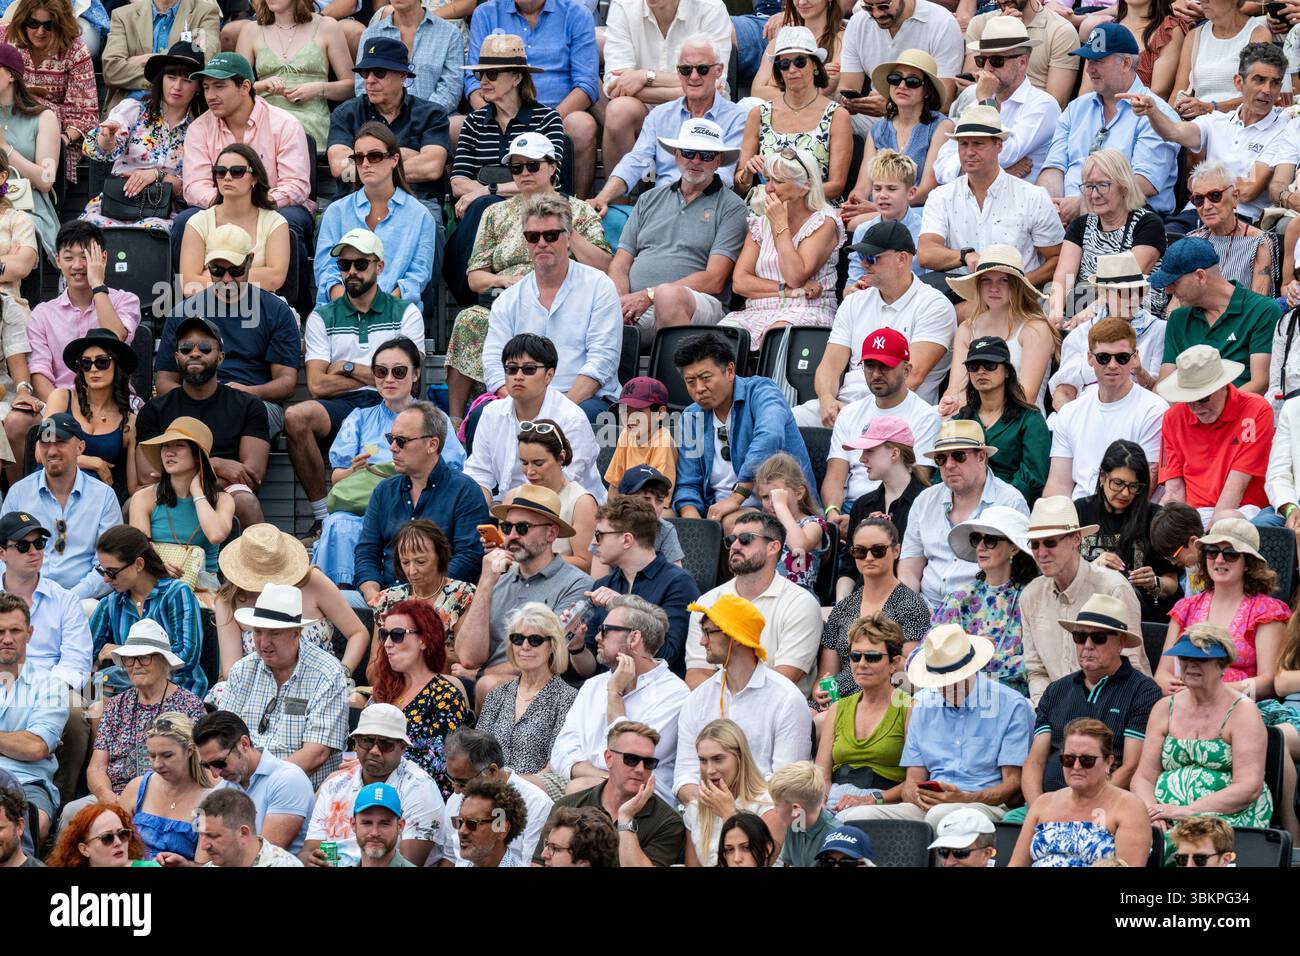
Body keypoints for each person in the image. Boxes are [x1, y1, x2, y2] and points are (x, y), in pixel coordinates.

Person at [444, 140, 611, 420]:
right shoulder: (495, 212)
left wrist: (566, 231)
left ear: (553, 167)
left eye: (532, 165)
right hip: (509, 298)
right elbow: (474, 276)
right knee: (469, 319)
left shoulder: (579, 209)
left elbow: (604, 264)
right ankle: (456, 421)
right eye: (516, 166)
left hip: (569, 296)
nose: (524, 173)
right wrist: (507, 282)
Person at [292, 229, 425, 529]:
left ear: (379, 266)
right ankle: (322, 517)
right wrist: (384, 374)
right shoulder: (322, 316)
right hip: (342, 405)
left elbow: (410, 380)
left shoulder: (406, 312)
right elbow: (316, 385)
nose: (351, 271)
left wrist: (348, 367)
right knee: (297, 416)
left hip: (393, 404)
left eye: (360, 264)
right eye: (344, 265)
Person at [838, 623, 1033, 828]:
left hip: (987, 805)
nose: (946, 685)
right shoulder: (922, 705)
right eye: (939, 679)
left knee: (939, 816)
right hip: (930, 806)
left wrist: (966, 797)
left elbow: (1013, 786)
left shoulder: (1011, 705)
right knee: (856, 818)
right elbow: (912, 780)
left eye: (953, 678)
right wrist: (917, 795)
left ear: (971, 670)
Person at [315, 339, 466, 584]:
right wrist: (355, 469)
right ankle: (341, 595)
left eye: (399, 371)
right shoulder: (359, 418)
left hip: (421, 506)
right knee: (338, 523)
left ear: (416, 374)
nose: (389, 379)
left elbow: (451, 469)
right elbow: (337, 478)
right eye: (381, 372)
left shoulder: (436, 418)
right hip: (365, 506)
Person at [797, 218, 956, 432]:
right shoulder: (854, 302)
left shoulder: (934, 305)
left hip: (902, 414)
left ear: (902, 259)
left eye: (872, 258)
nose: (863, 264)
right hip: (845, 408)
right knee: (784, 420)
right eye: (862, 256)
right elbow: (829, 366)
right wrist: (826, 400)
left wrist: (857, 415)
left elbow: (911, 378)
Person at [154, 225, 300, 454]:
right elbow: (163, 382)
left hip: (252, 399)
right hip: (194, 397)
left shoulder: (276, 311)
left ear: (250, 261)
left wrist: (248, 392)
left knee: (252, 414)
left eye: (236, 270)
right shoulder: (183, 311)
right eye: (217, 271)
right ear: (207, 266)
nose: (226, 279)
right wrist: (202, 398)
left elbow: (286, 383)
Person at [480, 194, 622, 423]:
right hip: (521, 401)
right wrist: (520, 407)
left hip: (584, 399)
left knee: (584, 417)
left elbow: (602, 362)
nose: (542, 243)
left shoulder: (600, 287)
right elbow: (493, 364)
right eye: (533, 236)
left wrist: (556, 410)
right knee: (481, 416)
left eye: (551, 235)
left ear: (569, 238)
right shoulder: (508, 300)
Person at [1018, 595, 1162, 817]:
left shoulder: (1143, 691)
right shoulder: (1056, 690)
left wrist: (1082, 808)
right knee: (1004, 827)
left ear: (1121, 642)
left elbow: (1131, 766)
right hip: (1046, 806)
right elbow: (1035, 760)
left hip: (1105, 808)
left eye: (1098, 638)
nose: (1087, 645)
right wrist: (1039, 809)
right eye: (1079, 636)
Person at [610, 120, 748, 348]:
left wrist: (649, 295)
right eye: (688, 152)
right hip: (635, 304)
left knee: (668, 297)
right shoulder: (648, 199)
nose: (695, 160)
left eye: (705, 155)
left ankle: (677, 381)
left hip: (698, 305)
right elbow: (620, 265)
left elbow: (714, 279)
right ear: (676, 154)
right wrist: (622, 302)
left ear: (718, 160)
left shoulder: (732, 207)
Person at [1131, 624, 1275, 843]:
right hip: (1164, 817)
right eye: (1184, 658)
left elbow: (1248, 787)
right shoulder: (1163, 708)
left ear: (1223, 664)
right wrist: (1153, 813)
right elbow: (1143, 777)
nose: (1190, 665)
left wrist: (1188, 811)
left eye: (1201, 659)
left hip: (1224, 817)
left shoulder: (1243, 712)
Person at [174, 52, 313, 275]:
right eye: (206, 87)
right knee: (184, 222)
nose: (210, 95)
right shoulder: (199, 128)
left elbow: (296, 185)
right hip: (220, 207)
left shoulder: (284, 124)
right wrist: (227, 208)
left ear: (245, 87)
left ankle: (293, 305)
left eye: (219, 86)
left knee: (289, 222)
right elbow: (193, 186)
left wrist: (253, 206)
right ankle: (191, 298)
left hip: (274, 206)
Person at [455, 484, 593, 707]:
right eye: (506, 527)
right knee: (446, 684)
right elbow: (468, 657)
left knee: (488, 685)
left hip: (543, 687)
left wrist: (479, 675)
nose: (511, 536)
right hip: (488, 679)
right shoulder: (497, 576)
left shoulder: (576, 583)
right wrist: (485, 583)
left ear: (551, 533)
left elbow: (545, 654)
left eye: (522, 528)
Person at [1125, 43, 1288, 228]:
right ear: (1238, 82)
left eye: (1275, 82)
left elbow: (1248, 191)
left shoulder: (1283, 129)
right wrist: (1153, 111)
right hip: (1195, 213)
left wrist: (1201, 183)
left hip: (1240, 220)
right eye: (1259, 80)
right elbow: (1173, 132)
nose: (1267, 90)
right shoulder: (1217, 121)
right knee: (1158, 240)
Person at [548, 594, 689, 804]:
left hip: (641, 798)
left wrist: (614, 694)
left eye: (604, 631)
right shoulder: (593, 685)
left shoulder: (674, 695)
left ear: (634, 638)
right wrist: (596, 774)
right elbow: (561, 751)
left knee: (577, 789)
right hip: (581, 781)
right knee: (512, 788)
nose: (596, 637)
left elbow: (629, 761)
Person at [135, 316, 271, 530]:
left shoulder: (248, 405)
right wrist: (215, 464)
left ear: (220, 357)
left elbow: (251, 475)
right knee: (130, 507)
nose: (195, 353)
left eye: (206, 348)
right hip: (171, 493)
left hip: (223, 492)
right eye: (186, 348)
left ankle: (256, 564)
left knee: (246, 502)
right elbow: (147, 475)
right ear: (176, 357)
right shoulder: (154, 410)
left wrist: (183, 475)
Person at [671, 333, 817, 531]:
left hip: (779, 511)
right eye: (690, 382)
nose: (699, 389)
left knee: (741, 524)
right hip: (715, 514)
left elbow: (770, 435)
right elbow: (688, 482)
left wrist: (737, 497)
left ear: (730, 371)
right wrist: (693, 520)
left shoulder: (763, 391)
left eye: (706, 378)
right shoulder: (691, 416)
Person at [675, 593, 812, 803]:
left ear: (735, 638)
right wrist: (710, 806)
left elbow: (787, 782)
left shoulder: (786, 698)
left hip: (763, 817)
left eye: (709, 632)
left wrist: (734, 810)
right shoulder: (698, 699)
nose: (702, 641)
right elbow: (685, 776)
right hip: (706, 812)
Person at [1036, 24, 1180, 222]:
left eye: (1098, 61)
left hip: (1131, 218)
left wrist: (1081, 204)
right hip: (1067, 217)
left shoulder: (1157, 114)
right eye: (1088, 61)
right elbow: (1054, 167)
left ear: (1126, 63)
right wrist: (1051, 206)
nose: (1089, 70)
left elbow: (1144, 183)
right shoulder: (1076, 109)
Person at [352, 401, 490, 606]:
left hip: (443, 600)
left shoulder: (465, 491)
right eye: (391, 438)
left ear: (432, 444)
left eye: (401, 441)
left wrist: (420, 596)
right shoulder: (384, 491)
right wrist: (372, 593)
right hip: (385, 597)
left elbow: (468, 559)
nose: (392, 448)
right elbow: (367, 552)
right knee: (334, 602)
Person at [591, 35, 746, 214]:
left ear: (719, 70)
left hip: (710, 209)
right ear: (678, 73)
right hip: (662, 207)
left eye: (702, 69)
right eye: (686, 70)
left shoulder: (737, 117)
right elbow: (635, 161)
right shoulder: (660, 115)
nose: (694, 77)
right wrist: (603, 197)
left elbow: (724, 177)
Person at [73, 621, 205, 830]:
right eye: (129, 659)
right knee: (72, 813)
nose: (135, 665)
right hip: (113, 797)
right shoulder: (116, 705)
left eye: (144, 657)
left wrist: (141, 799)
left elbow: (197, 766)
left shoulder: (188, 705)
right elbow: (97, 766)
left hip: (165, 797)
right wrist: (108, 798)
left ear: (164, 662)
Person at [918, 107, 1064, 295]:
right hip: (962, 296)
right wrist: (965, 256)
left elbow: (1057, 258)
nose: (969, 152)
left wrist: (1018, 286)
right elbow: (926, 252)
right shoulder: (941, 196)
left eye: (978, 144)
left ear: (999, 145)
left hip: (1014, 301)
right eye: (963, 144)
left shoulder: (1033, 196)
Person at [1018, 496, 1149, 703]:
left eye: (1050, 542)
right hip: (1055, 712)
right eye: (1034, 544)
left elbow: (1131, 667)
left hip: (1113, 709)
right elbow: (1036, 671)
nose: (1041, 553)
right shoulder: (1030, 596)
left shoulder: (1113, 588)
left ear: (1076, 539)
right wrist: (1044, 715)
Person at [462, 0, 599, 196]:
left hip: (557, 112)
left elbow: (586, 84)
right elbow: (474, 82)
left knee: (582, 125)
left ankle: (577, 206)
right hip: (499, 109)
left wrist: (543, 120)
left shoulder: (576, 13)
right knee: (458, 125)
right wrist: (492, 115)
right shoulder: (486, 12)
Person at [220, 584, 350, 789]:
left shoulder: (327, 673)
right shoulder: (243, 670)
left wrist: (261, 783)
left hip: (298, 786)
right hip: (241, 781)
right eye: (258, 632)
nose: (263, 643)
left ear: (296, 633)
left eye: (274, 633)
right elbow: (223, 737)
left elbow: (316, 754)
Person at [898, 419, 1031, 610]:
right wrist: (910, 609)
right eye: (941, 459)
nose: (949, 465)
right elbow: (909, 566)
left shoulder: (1010, 501)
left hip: (981, 609)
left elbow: (1017, 572)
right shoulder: (925, 500)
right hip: (925, 607)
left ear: (981, 457)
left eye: (959, 456)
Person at [683, 511, 822, 693]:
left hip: (778, 713)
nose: (734, 546)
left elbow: (784, 679)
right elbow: (697, 674)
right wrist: (724, 709)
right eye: (732, 539)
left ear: (773, 547)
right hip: (719, 712)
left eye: (746, 539)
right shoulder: (708, 602)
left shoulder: (800, 603)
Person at [723, 147, 844, 350]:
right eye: (767, 180)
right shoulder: (760, 223)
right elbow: (740, 283)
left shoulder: (824, 222)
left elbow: (795, 275)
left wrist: (780, 225)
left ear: (804, 187)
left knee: (777, 334)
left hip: (807, 309)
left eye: (778, 181)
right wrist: (786, 290)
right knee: (719, 337)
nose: (769, 188)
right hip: (758, 311)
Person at [597, 0, 733, 179]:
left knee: (703, 100)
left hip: (701, 113)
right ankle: (619, 205)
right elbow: (614, 85)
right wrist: (690, 85)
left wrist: (646, 76)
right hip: (643, 112)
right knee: (618, 110)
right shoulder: (623, 5)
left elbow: (713, 84)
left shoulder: (710, 7)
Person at [448, 33, 562, 243]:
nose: (482, 82)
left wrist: (487, 192)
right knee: (483, 207)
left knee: (483, 206)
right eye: (478, 75)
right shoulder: (474, 121)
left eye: (491, 74)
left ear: (516, 78)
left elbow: (551, 179)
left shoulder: (547, 118)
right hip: (481, 212)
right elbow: (458, 182)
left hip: (535, 210)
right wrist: (493, 198)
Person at [1156, 518, 1289, 698]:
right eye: (1212, 552)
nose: (1219, 560)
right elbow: (1162, 674)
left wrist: (1215, 691)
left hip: (1238, 708)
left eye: (1230, 554)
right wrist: (1172, 687)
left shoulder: (1267, 611)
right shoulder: (1185, 607)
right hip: (1183, 704)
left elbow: (1269, 681)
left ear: (1248, 563)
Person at [216, 527, 367, 685]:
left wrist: (341, 675)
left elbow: (357, 633)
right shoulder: (228, 599)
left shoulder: (313, 581)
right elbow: (230, 669)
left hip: (322, 682)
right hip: (256, 687)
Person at [301, 703, 443, 867]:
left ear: (402, 747)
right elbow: (308, 852)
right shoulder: (335, 786)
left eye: (385, 744)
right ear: (355, 743)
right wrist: (312, 860)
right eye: (367, 741)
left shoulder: (420, 789)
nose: (375, 750)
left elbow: (406, 863)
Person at [462, 335, 602, 499]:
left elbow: (561, 485)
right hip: (510, 508)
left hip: (570, 510)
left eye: (529, 369)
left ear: (549, 375)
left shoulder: (572, 418)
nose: (518, 376)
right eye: (511, 369)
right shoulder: (491, 413)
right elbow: (479, 475)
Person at [0, 414, 122, 600]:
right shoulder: (19, 492)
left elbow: (108, 564)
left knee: (90, 609)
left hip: (82, 599)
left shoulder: (103, 496)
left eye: (60, 442)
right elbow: (2, 554)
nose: (51, 451)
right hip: (24, 597)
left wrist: (68, 598)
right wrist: (20, 594)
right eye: (45, 444)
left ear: (80, 447)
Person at [1044, 318, 1168, 499]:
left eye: (1122, 357)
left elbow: (1147, 482)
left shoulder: (1155, 410)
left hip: (1129, 513)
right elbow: (1058, 484)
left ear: (1135, 358)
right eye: (1103, 357)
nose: (1112, 365)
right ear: (1089, 358)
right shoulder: (1070, 413)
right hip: (1077, 514)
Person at [316, 125, 438, 307]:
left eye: (374, 156)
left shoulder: (420, 215)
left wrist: (381, 308)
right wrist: (351, 308)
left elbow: (417, 277)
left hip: (395, 313)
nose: (365, 164)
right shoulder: (336, 212)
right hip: (340, 312)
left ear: (394, 159)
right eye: (358, 158)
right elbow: (326, 270)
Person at [536, 721, 687, 867]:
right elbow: (539, 863)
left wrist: (626, 820)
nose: (640, 769)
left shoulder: (667, 822)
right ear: (608, 758)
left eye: (648, 762)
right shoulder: (569, 805)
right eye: (631, 759)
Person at [325, 38, 450, 211]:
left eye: (379, 72)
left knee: (431, 225)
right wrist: (399, 156)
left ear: (402, 76)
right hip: (354, 200)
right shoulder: (346, 113)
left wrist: (364, 161)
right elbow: (341, 167)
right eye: (365, 73)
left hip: (415, 202)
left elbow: (431, 167)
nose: (369, 80)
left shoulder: (432, 114)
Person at [1046, 149, 1167, 325]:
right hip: (1083, 306)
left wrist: (1087, 316)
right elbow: (1064, 277)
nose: (1094, 194)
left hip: (1133, 309)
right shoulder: (1081, 225)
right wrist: (1055, 314)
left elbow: (1127, 282)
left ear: (1123, 187)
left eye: (1102, 185)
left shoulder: (1148, 224)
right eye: (1089, 186)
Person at [1010, 718, 1152, 866]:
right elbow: (1016, 864)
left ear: (1108, 762)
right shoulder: (1043, 803)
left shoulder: (1129, 807)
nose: (1076, 766)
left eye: (1087, 760)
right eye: (1069, 759)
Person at [25, 221, 141, 404]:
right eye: (69, 258)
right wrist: (66, 411)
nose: (77, 266)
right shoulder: (42, 314)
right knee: (18, 422)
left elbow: (116, 336)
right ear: (58, 261)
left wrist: (97, 285)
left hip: (113, 401)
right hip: (61, 405)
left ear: (103, 258)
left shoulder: (126, 300)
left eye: (85, 256)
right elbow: (39, 372)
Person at [1156, 345, 1274, 523]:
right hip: (1193, 515)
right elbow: (1174, 491)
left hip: (1244, 511)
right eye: (1188, 399)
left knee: (1225, 517)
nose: (1195, 407)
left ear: (1224, 386)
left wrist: (1208, 540)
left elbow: (1237, 486)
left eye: (1203, 398)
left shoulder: (1256, 409)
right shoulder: (1172, 418)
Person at [936, 16, 1061, 184]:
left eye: (996, 60)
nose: (987, 68)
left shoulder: (1043, 104)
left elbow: (1007, 153)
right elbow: (941, 167)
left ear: (1022, 63)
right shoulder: (976, 103)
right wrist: (1002, 172)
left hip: (1021, 205)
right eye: (982, 60)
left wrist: (986, 102)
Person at [735, 28, 851, 202]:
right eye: (784, 64)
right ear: (778, 70)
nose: (792, 69)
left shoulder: (837, 115)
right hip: (765, 210)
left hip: (815, 210)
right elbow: (738, 186)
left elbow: (836, 186)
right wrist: (747, 173)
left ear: (814, 64)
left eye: (799, 61)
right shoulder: (758, 114)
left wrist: (791, 192)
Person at [939, 245, 1059, 413]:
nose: (994, 288)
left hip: (1020, 423)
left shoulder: (1035, 328)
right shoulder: (967, 328)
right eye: (986, 280)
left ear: (1017, 286)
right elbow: (956, 387)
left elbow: (1026, 396)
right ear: (978, 285)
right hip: (972, 419)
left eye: (1004, 280)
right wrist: (950, 401)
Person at [818, 518, 929, 697]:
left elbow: (905, 672)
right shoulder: (842, 608)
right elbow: (826, 675)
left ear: (896, 551)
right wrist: (821, 693)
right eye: (860, 551)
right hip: (836, 698)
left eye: (878, 550)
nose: (869, 558)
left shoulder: (911, 604)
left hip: (884, 698)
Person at [366, 598, 467, 795]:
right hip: (372, 787)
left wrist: (374, 764)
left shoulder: (445, 695)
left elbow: (438, 764)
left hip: (419, 794)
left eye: (397, 635)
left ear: (423, 640)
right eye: (384, 634)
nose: (387, 644)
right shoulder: (383, 689)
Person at [933, 505, 1037, 695]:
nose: (980, 546)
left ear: (1013, 547)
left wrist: (977, 656)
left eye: (990, 540)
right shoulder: (959, 599)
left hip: (1016, 701)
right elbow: (927, 655)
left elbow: (1038, 663)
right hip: (961, 698)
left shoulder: (1032, 598)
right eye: (976, 539)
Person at [1153, 238, 1277, 395]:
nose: (1168, 290)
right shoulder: (1178, 318)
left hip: (1240, 414)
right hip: (1188, 414)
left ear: (1200, 276)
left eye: (1174, 282)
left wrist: (1211, 409)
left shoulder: (1262, 310)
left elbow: (1261, 383)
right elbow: (1163, 386)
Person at [89, 530, 205, 697]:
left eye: (112, 572)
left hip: (178, 690)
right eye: (102, 571)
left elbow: (186, 658)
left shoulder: (177, 593)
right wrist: (85, 704)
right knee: (85, 697)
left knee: (106, 681)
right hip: (128, 691)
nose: (106, 580)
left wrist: (125, 652)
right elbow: (84, 656)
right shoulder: (110, 603)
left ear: (139, 564)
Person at [1075, 440, 1180, 620]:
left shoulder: (1154, 517)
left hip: (1141, 616)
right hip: (1086, 611)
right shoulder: (1080, 511)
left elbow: (1172, 582)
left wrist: (1155, 582)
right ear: (1102, 477)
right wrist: (1092, 568)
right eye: (1118, 483)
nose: (1125, 493)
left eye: (1133, 486)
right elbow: (1063, 576)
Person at [814, 614, 911, 807]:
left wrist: (870, 800)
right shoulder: (838, 708)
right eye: (855, 656)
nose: (862, 664)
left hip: (881, 801)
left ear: (894, 663)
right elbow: (821, 775)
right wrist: (822, 807)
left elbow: (914, 781)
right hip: (835, 798)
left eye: (872, 657)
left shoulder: (909, 708)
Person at [1049, 250, 1165, 408]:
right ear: (1104, 293)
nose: (1132, 299)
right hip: (1086, 411)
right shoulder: (1081, 334)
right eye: (1122, 293)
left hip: (1139, 410)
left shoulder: (1159, 330)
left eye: (1137, 291)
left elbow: (1161, 393)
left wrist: (1139, 371)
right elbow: (1063, 391)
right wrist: (1072, 423)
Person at [233, 0, 354, 151]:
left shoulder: (327, 26)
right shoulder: (250, 30)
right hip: (266, 126)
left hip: (312, 127)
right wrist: (262, 85)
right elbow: (234, 91)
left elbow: (351, 86)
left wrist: (318, 89)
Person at [191, 710, 314, 854]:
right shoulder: (221, 790)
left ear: (244, 743)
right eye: (206, 766)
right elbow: (204, 859)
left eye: (219, 762)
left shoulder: (288, 780)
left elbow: (264, 857)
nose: (214, 773)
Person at [475, 603, 577, 775]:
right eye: (518, 639)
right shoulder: (497, 694)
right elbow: (478, 752)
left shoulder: (567, 698)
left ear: (552, 646)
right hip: (489, 791)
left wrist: (515, 789)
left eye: (535, 640)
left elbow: (556, 764)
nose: (525, 646)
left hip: (535, 795)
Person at [835, 0, 963, 136]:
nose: (876, 13)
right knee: (833, 118)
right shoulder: (858, 22)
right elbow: (845, 88)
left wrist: (893, 107)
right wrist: (849, 102)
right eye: (868, 7)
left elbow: (944, 103)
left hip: (925, 121)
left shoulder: (942, 22)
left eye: (883, 6)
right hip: (874, 118)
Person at [130, 417, 235, 582]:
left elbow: (216, 535)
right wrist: (159, 566)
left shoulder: (223, 499)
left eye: (179, 446)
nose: (169, 452)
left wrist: (197, 492)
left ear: (197, 456)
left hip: (202, 585)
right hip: (156, 578)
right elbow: (139, 548)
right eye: (165, 446)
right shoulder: (144, 497)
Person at [0, 0, 94, 183]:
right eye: (33, 23)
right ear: (23, 20)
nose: (40, 32)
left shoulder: (76, 50)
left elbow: (85, 114)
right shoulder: (5, 38)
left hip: (53, 130)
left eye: (48, 25)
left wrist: (62, 140)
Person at [842, 48, 949, 207]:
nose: (902, 85)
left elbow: (927, 189)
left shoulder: (941, 126)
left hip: (916, 211)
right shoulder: (878, 129)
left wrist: (878, 208)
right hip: (874, 211)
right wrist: (854, 203)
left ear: (927, 91)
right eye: (895, 78)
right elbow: (863, 187)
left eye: (912, 81)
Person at [40, 330, 137, 504]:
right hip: (51, 489)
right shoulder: (61, 398)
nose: (93, 369)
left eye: (102, 362)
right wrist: (92, 462)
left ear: (117, 366)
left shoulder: (129, 421)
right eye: (86, 363)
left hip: (97, 500)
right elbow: (41, 454)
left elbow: (133, 488)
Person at [0, 590, 67, 842]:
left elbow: (36, 747)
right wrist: (16, 742)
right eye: (0, 631)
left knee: (31, 826)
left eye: (15, 631)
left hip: (28, 782)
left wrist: (29, 744)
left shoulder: (51, 686)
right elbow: (28, 744)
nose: (7, 639)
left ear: (29, 633)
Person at [178, 144, 290, 295]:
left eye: (237, 171)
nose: (227, 177)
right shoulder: (197, 222)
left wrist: (209, 276)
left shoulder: (275, 222)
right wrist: (254, 275)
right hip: (209, 309)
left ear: (255, 178)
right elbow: (189, 286)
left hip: (258, 308)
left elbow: (275, 278)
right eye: (220, 172)